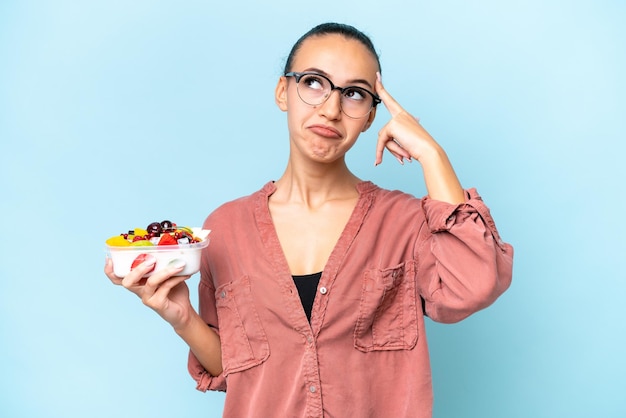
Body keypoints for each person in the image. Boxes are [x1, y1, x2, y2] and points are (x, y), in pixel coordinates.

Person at [105, 22, 513, 418]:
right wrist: (183, 319)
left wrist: (431, 153)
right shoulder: (227, 228)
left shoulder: (405, 223)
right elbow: (240, 373)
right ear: (284, 91)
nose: (331, 109)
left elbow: (474, 285)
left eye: (354, 94)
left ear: (371, 116)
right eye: (314, 82)